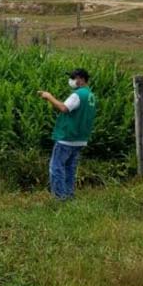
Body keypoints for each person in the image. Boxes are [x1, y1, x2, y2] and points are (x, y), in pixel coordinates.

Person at [38, 68, 97, 200]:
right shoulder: (91, 95)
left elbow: (64, 108)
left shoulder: (78, 94)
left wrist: (49, 97)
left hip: (67, 137)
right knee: (70, 168)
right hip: (80, 138)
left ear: (81, 79)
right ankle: (69, 195)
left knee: (56, 167)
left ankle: (59, 197)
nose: (71, 81)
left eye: (73, 78)